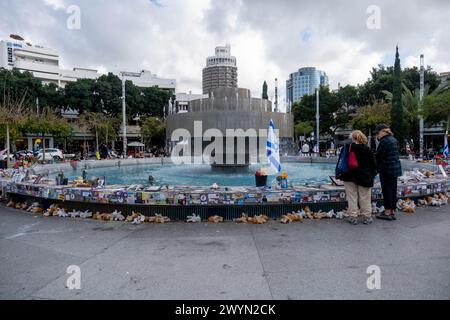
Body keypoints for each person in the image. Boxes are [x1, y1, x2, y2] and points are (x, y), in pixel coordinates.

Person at [339, 130, 377, 225]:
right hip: (364, 176)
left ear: (353, 138)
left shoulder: (347, 148)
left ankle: (353, 216)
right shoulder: (367, 149)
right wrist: (372, 176)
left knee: (352, 197)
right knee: (365, 197)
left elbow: (341, 161)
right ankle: (367, 217)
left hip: (349, 176)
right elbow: (373, 165)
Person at [375, 124, 402, 221]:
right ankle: (392, 211)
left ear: (383, 132)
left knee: (387, 191)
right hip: (395, 169)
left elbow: (378, 156)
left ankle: (387, 212)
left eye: (377, 133)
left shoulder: (384, 141)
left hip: (386, 169)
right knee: (393, 190)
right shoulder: (394, 139)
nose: (377, 135)